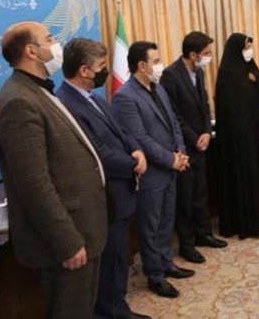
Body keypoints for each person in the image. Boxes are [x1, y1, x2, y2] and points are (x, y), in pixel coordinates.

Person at [0, 21, 107, 319]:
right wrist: (66, 242)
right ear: (32, 51)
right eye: (50, 39)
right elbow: (33, 183)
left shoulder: (38, 90)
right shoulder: (18, 101)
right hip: (66, 240)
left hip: (85, 227)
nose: (56, 45)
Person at [55, 38, 151, 319]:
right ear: (85, 70)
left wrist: (136, 149)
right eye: (101, 66)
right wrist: (133, 165)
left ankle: (119, 308)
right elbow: (97, 151)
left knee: (120, 258)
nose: (106, 71)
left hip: (120, 195)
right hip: (103, 197)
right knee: (109, 264)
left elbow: (121, 131)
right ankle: (111, 311)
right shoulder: (66, 104)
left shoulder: (94, 97)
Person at [111, 41, 194, 299]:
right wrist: (170, 159)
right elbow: (139, 138)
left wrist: (180, 153)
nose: (160, 65)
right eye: (156, 61)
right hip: (151, 173)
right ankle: (155, 276)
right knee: (151, 226)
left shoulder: (159, 88)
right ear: (142, 65)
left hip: (171, 167)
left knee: (167, 221)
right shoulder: (125, 97)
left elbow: (174, 124)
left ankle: (166, 263)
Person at [160, 31, 227, 263]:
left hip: (202, 142)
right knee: (185, 199)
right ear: (193, 54)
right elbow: (174, 115)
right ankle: (187, 245)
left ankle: (203, 234)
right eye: (206, 53)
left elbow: (205, 105)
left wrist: (207, 132)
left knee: (201, 193)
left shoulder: (198, 71)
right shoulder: (170, 75)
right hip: (184, 146)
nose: (209, 57)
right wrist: (194, 137)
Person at [214, 33, 259, 238]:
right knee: (245, 176)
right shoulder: (227, 74)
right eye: (245, 48)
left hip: (256, 134)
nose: (249, 52)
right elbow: (230, 107)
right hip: (239, 138)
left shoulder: (251, 68)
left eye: (250, 47)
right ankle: (245, 222)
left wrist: (257, 82)